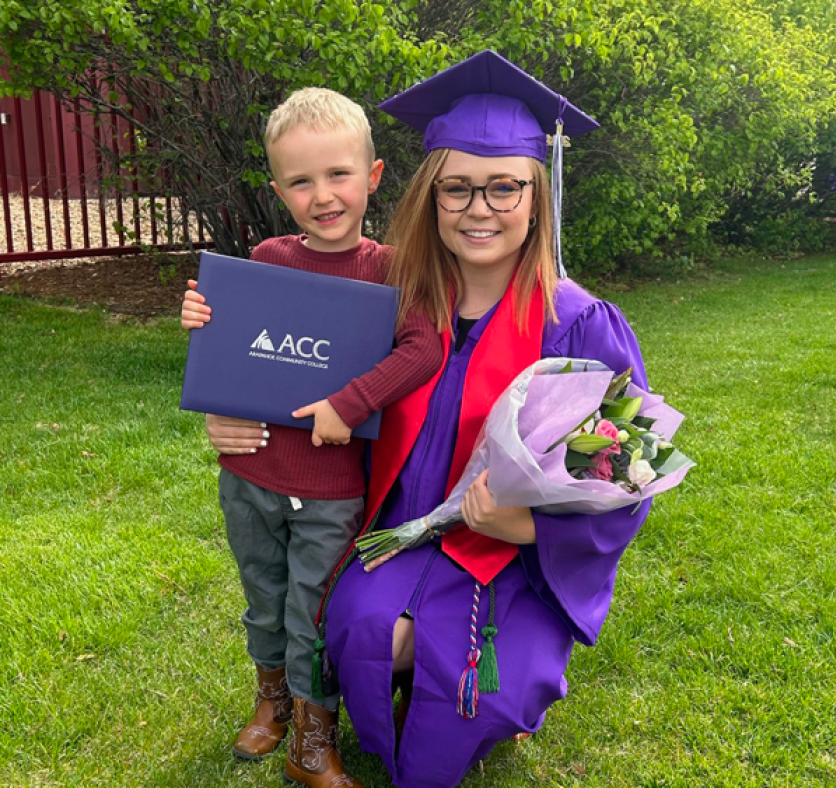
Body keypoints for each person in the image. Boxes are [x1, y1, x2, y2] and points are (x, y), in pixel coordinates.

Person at [336, 50, 655, 788]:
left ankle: (480, 692)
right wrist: (235, 411)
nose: (479, 208)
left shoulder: (579, 323)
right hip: (406, 536)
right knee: (361, 634)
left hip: (516, 565)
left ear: (537, 196)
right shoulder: (400, 307)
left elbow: (627, 469)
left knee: (476, 695)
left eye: (503, 187)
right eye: (458, 189)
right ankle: (409, 663)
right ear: (432, 198)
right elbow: (308, 380)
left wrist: (531, 529)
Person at [180, 87, 442, 788]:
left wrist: (349, 402)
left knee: (312, 611)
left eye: (338, 175)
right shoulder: (267, 258)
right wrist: (201, 316)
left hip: (331, 493)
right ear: (278, 190)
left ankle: (310, 740)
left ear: (374, 176)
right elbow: (232, 343)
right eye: (300, 181)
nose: (322, 195)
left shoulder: (392, 270)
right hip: (252, 477)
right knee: (262, 597)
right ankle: (269, 699)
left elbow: (423, 350)